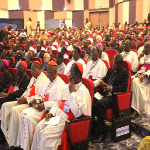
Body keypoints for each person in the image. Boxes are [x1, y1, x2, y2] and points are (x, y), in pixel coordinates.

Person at [31, 62, 91, 150]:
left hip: (67, 121)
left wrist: (72, 93)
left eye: (72, 73)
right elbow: (57, 103)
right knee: (39, 127)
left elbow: (78, 113)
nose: (69, 75)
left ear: (78, 75)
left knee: (45, 134)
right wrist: (51, 113)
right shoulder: (66, 87)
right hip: (57, 116)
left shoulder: (84, 91)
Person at [17, 61, 66, 150]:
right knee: (23, 114)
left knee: (28, 118)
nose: (49, 75)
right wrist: (36, 100)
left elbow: (57, 102)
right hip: (40, 106)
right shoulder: (47, 80)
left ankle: (27, 147)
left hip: (47, 109)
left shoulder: (61, 84)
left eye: (51, 73)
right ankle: (22, 145)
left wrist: (44, 105)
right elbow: (40, 95)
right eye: (48, 72)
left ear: (56, 72)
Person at [0, 61, 48, 148]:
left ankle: (13, 143)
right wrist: (21, 98)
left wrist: (26, 99)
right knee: (5, 106)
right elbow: (27, 90)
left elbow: (39, 96)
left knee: (14, 111)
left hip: (30, 103)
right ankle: (5, 134)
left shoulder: (43, 79)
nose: (31, 72)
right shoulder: (34, 78)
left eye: (33, 70)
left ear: (38, 69)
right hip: (23, 99)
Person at [92, 54, 129, 141]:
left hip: (114, 97)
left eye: (115, 64)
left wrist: (111, 88)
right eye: (113, 63)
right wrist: (102, 82)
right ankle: (94, 127)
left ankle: (101, 131)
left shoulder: (124, 72)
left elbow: (123, 87)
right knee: (92, 100)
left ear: (120, 64)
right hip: (104, 93)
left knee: (100, 103)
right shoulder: (111, 70)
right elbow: (105, 79)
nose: (113, 65)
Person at [131, 42, 150, 115]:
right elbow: (134, 69)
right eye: (144, 47)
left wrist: (144, 75)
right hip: (140, 75)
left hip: (147, 78)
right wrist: (138, 58)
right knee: (129, 79)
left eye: (147, 47)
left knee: (135, 81)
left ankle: (136, 109)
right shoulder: (143, 57)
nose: (145, 49)